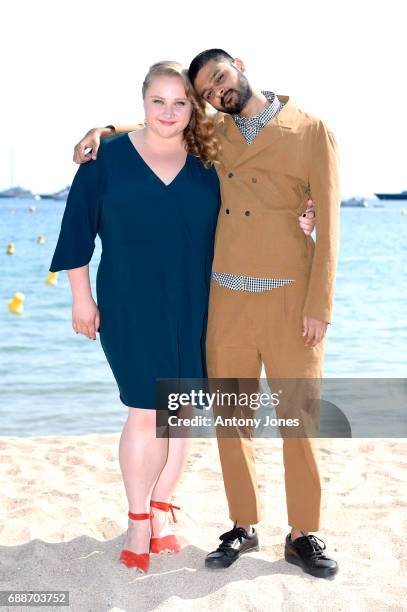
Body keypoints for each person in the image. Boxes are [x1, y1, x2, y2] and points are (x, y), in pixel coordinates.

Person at [73, 52, 332, 577]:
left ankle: (304, 533)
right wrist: (102, 129)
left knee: (297, 421)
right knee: (232, 423)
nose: (216, 92)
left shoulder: (310, 129)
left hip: (289, 297)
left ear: (238, 65)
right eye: (206, 92)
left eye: (219, 79)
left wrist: (318, 306)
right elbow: (161, 125)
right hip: (226, 300)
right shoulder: (211, 132)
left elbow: (329, 222)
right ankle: (243, 525)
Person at [49, 61, 223, 574]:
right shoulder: (106, 158)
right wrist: (81, 298)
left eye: (179, 102)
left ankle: (163, 507)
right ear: (142, 102)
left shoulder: (211, 158)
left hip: (199, 303)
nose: (168, 112)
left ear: (194, 107)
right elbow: (76, 233)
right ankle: (138, 518)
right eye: (158, 101)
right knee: (145, 409)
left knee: (182, 409)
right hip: (129, 301)